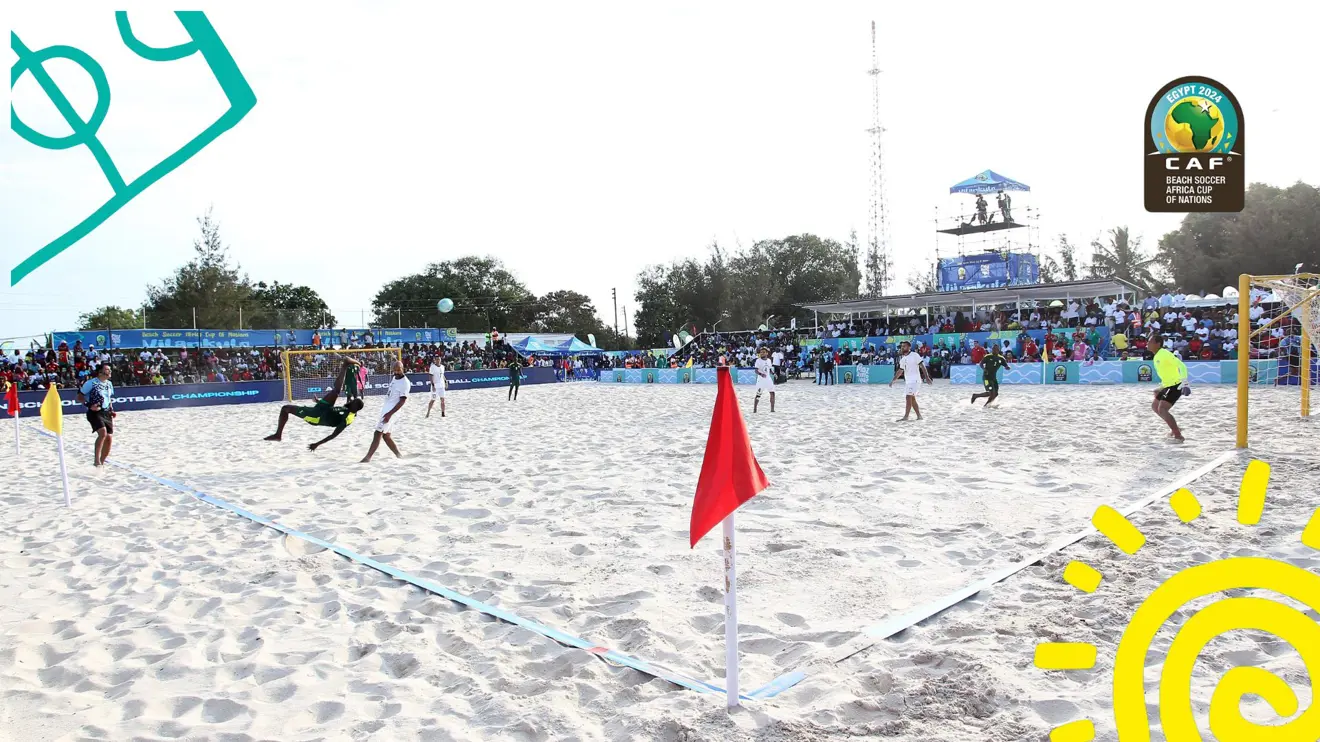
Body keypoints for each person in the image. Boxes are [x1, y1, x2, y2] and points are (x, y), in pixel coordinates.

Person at [265, 359, 365, 450]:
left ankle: (278, 435)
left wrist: (317, 444)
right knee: (336, 391)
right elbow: (336, 411)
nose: (350, 401)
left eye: (352, 402)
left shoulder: (347, 418)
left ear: (354, 408)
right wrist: (318, 401)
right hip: (326, 408)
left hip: (316, 416)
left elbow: (334, 434)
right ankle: (345, 365)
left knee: (285, 408)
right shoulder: (349, 409)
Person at [361, 360, 409, 462]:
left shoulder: (405, 382)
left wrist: (389, 414)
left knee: (377, 433)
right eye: (395, 370)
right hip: (387, 410)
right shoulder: (394, 378)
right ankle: (399, 455)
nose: (396, 372)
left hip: (392, 412)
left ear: (402, 369)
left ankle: (367, 458)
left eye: (398, 370)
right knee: (386, 436)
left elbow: (402, 401)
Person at [1148, 334, 1188, 443]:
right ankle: (1175, 429)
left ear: (1158, 344)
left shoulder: (1165, 354)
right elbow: (1167, 373)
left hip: (1175, 385)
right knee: (1155, 406)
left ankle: (1178, 436)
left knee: (1162, 409)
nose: (1148, 344)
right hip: (1167, 385)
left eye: (1150, 342)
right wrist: (1161, 387)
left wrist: (1185, 383)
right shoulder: (1157, 355)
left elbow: (1182, 366)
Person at [77, 363, 116, 466]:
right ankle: (96, 461)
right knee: (102, 433)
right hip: (94, 412)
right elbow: (80, 396)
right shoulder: (91, 383)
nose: (110, 371)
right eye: (107, 370)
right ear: (100, 372)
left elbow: (108, 398)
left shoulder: (109, 384)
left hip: (106, 412)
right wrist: (89, 405)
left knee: (109, 438)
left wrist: (111, 409)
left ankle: (101, 463)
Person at [889, 340, 931, 421]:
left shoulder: (914, 355)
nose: (902, 347)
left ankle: (906, 417)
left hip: (915, 380)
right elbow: (900, 371)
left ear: (909, 347)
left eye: (904, 346)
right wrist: (893, 380)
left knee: (908, 397)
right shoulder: (903, 359)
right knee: (912, 399)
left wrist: (927, 377)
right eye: (902, 346)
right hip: (908, 381)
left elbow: (922, 366)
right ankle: (919, 416)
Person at [753, 347, 776, 413]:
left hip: (768, 379)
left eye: (763, 352)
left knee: (772, 393)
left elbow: (770, 369)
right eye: (761, 352)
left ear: (767, 353)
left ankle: (772, 409)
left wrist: (774, 374)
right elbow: (756, 370)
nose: (762, 353)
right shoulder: (758, 361)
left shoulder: (769, 360)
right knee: (758, 394)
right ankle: (755, 409)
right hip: (761, 380)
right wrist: (761, 374)